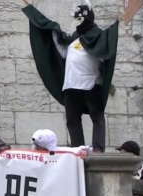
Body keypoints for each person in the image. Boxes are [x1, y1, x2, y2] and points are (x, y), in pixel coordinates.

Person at [21, 0, 120, 152]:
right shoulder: (73, 39)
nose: (79, 22)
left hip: (91, 83)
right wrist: (52, 30)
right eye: (77, 18)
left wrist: (110, 34)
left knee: (97, 116)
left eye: (82, 18)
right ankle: (78, 148)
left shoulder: (98, 36)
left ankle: (98, 148)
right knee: (72, 120)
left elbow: (103, 54)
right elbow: (62, 52)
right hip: (70, 86)